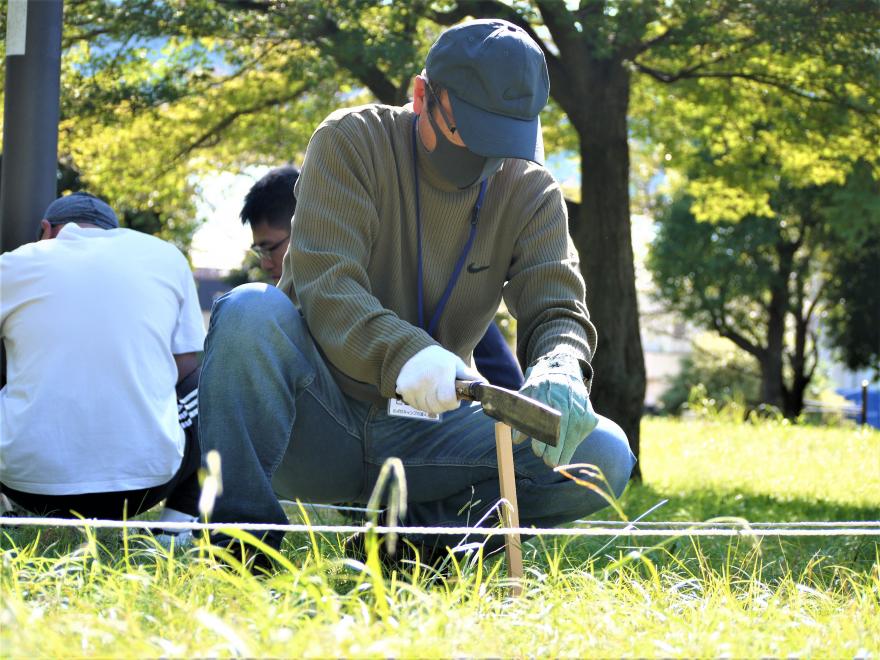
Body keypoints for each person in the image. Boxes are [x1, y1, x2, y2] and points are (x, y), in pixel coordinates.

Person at [200, 18, 635, 560]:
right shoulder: (350, 142)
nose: (483, 160)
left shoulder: (530, 189)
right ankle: (241, 548)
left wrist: (560, 364)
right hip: (316, 416)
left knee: (604, 455)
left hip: (432, 433)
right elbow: (327, 285)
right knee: (247, 311)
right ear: (422, 94)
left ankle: (420, 545)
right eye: (468, 133)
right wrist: (407, 355)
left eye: (503, 141)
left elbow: (557, 306)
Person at [0, 192, 206, 528]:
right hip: (143, 489)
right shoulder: (165, 257)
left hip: (26, 485)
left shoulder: (13, 263)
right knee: (207, 384)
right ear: (110, 231)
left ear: (45, 229)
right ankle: (176, 525)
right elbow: (185, 367)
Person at [240, 165, 523, 389]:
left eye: (269, 247)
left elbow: (506, 381)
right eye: (259, 251)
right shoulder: (283, 312)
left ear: (307, 224)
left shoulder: (413, 278)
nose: (265, 264)